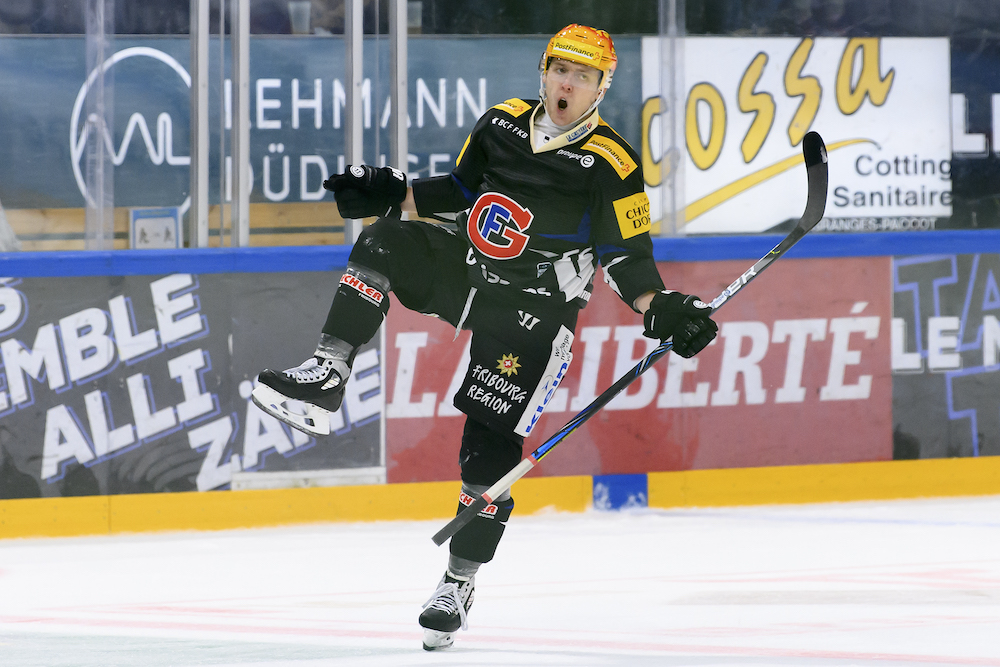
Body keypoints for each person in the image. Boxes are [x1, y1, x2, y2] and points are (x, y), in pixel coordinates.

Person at [251, 23, 718, 651]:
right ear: (544, 71)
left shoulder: (613, 164)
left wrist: (660, 307)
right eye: (560, 69)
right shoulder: (500, 122)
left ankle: (457, 582)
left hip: (533, 312)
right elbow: (460, 193)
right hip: (467, 274)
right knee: (382, 240)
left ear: (602, 87)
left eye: (582, 75)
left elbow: (626, 257)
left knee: (486, 455)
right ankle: (329, 373)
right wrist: (396, 191)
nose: (568, 83)